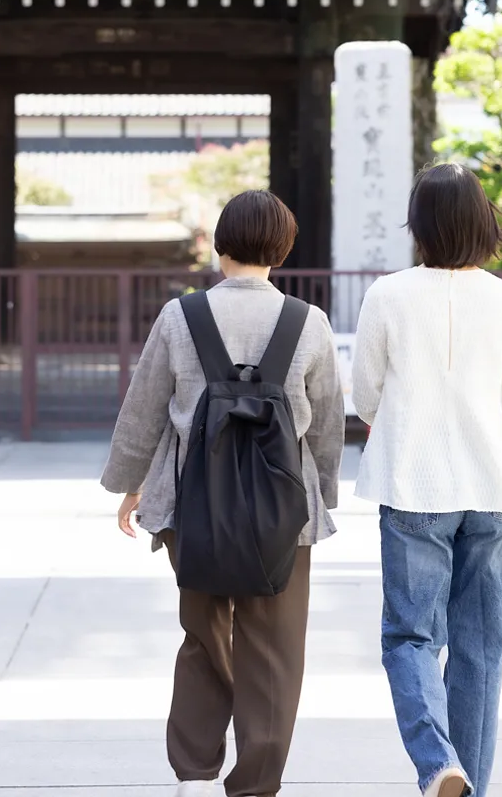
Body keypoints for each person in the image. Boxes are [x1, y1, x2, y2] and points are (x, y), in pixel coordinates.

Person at [101, 190, 346, 797]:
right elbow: (327, 422)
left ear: (220, 244)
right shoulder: (307, 322)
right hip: (283, 514)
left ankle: (194, 769)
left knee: (205, 632)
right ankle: (256, 782)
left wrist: (131, 486)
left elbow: (144, 410)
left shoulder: (179, 317)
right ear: (283, 250)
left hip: (193, 506)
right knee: (276, 647)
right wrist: (322, 497)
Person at [351, 163, 502, 797]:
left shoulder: (387, 295)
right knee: (481, 653)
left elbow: (366, 397)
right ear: (485, 224)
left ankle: (439, 765)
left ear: (422, 227)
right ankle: (469, 787)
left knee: (410, 636)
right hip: (494, 492)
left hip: (413, 486)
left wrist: (407, 422)